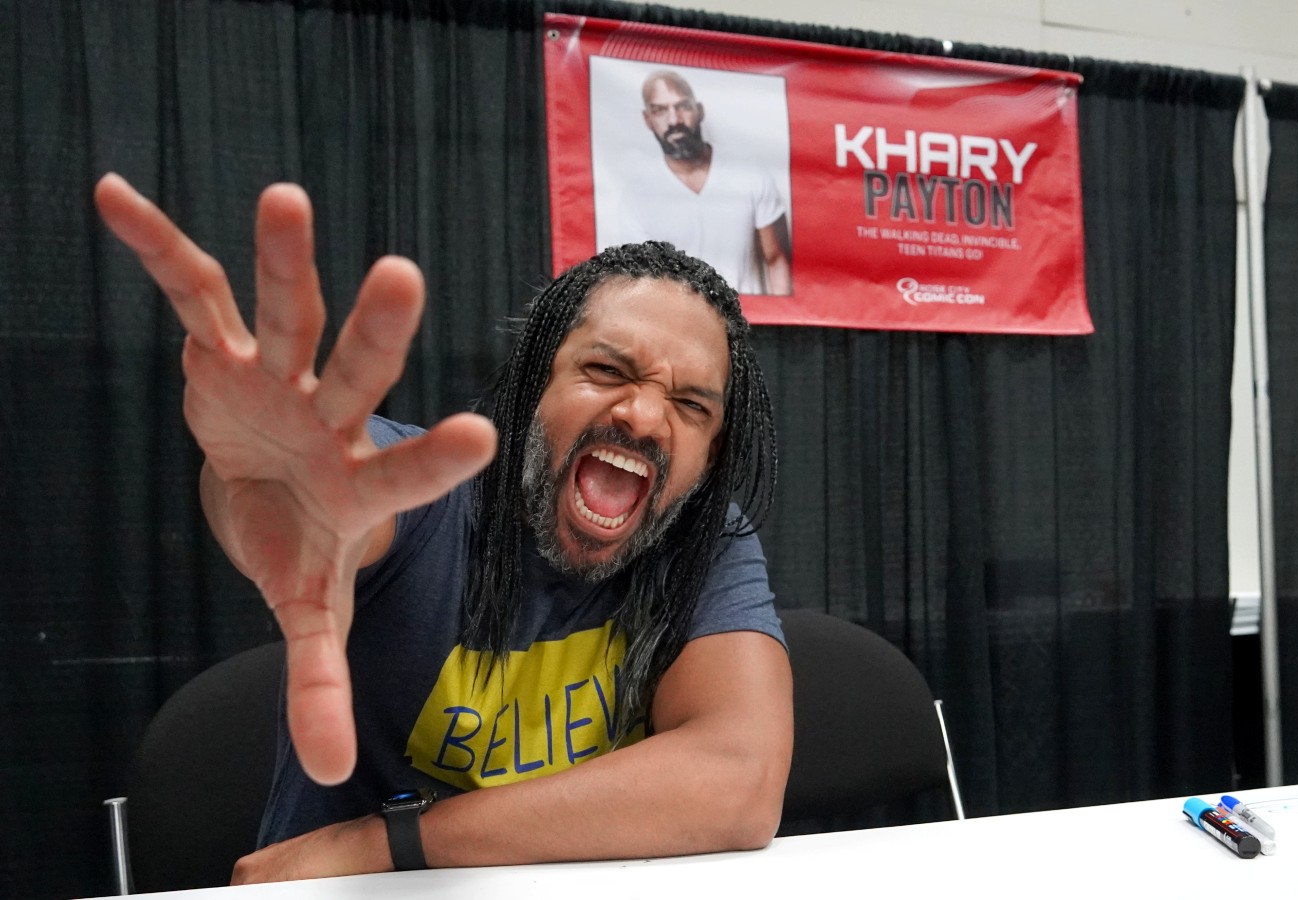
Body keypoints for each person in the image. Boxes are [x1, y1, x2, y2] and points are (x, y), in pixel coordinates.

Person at [92, 173, 793, 884]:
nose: (643, 417)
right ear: (533, 387)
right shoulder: (426, 496)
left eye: (690, 404)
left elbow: (738, 777)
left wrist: (385, 843)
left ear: (710, 455)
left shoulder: (704, 539)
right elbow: (328, 495)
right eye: (606, 369)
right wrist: (280, 485)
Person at [605, 70, 793, 296]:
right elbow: (640, 284)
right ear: (648, 119)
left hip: (749, 325)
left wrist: (780, 328)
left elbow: (777, 259)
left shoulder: (749, 173)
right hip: (678, 327)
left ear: (699, 110)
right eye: (660, 110)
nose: (674, 120)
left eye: (682, 106)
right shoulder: (636, 196)